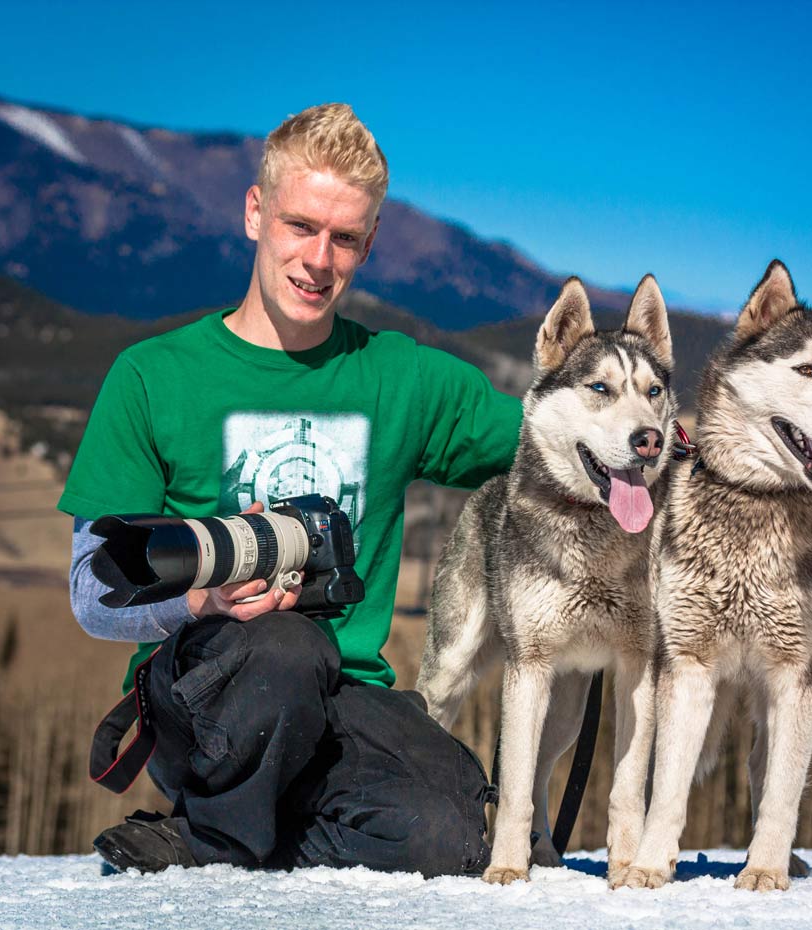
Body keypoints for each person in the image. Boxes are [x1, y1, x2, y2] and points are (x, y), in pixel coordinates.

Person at [59, 104, 522, 876]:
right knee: (280, 645)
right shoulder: (153, 376)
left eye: (344, 238)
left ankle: (235, 839)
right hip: (206, 701)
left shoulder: (402, 377)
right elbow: (88, 591)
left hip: (343, 696)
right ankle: (217, 826)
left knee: (468, 836)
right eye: (300, 225)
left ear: (369, 243)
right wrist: (202, 602)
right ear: (254, 212)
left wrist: (674, 437)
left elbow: (556, 434)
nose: (318, 258)